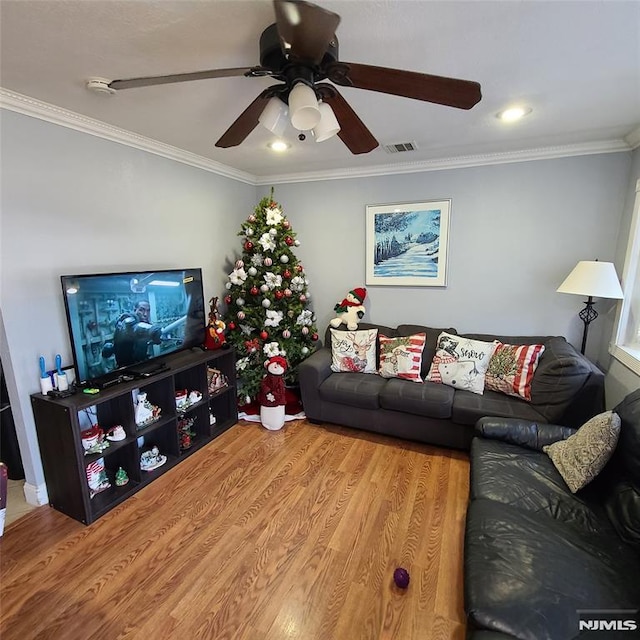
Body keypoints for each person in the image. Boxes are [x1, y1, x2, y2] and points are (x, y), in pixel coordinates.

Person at [102, 300, 163, 367]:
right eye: (141, 310)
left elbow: (140, 337)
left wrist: (154, 339)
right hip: (127, 368)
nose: (145, 314)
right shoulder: (128, 322)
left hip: (140, 365)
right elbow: (135, 328)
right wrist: (153, 330)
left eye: (148, 311)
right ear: (135, 310)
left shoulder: (143, 323)